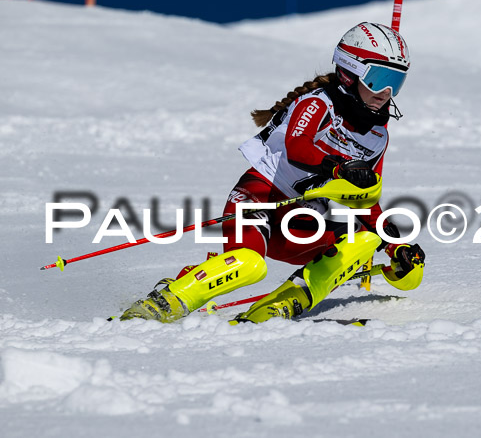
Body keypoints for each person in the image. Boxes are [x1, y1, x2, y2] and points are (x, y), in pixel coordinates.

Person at [120, 22, 426, 324]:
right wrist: (338, 166)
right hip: (259, 199)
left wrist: (394, 244)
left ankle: (283, 304)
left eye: (395, 81)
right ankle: (167, 300)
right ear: (349, 72)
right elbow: (297, 145)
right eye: (379, 78)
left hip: (300, 223)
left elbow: (364, 199)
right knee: (248, 264)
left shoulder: (377, 136)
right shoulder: (318, 103)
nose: (386, 92)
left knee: (365, 239)